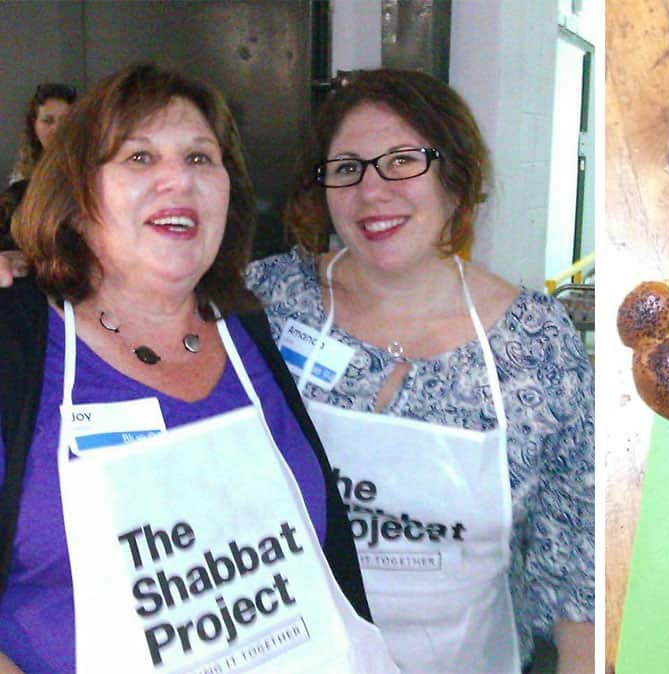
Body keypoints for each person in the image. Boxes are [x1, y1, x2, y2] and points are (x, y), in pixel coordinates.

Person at [0, 63, 395, 673]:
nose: (178, 180)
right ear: (75, 201)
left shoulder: (252, 326)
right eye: (138, 157)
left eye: (200, 158)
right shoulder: (17, 346)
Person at [243, 69, 596, 673]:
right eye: (347, 168)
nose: (371, 191)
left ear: (454, 181)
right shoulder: (269, 301)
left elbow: (577, 549)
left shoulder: (535, 341)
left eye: (402, 161)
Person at [2, 83, 77, 248]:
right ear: (34, 126)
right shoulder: (19, 188)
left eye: (65, 120)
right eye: (48, 121)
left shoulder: (93, 176)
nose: (57, 128)